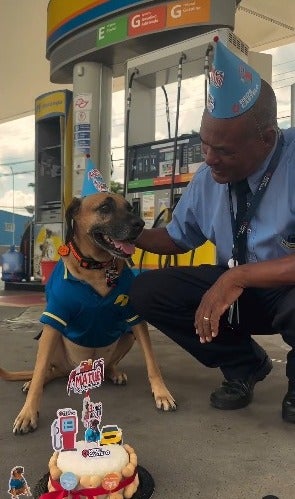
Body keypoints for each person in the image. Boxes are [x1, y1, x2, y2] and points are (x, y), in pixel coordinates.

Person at [130, 37, 295, 423]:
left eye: (223, 151)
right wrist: (127, 231)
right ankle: (244, 366)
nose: (209, 160)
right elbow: (175, 239)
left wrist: (238, 275)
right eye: (204, 145)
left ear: (267, 139)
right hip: (240, 292)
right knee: (148, 291)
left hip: (286, 288)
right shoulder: (208, 176)